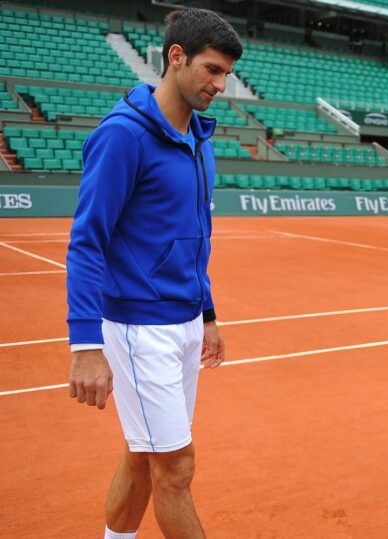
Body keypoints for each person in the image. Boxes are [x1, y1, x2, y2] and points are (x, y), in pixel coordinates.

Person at [65, 9, 242, 539]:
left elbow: (196, 237)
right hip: (141, 330)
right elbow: (87, 240)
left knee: (143, 455)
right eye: (212, 70)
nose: (221, 84)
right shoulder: (123, 136)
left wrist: (206, 313)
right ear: (176, 57)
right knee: (177, 467)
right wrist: (85, 345)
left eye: (227, 73)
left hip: (184, 323)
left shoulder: (199, 140)